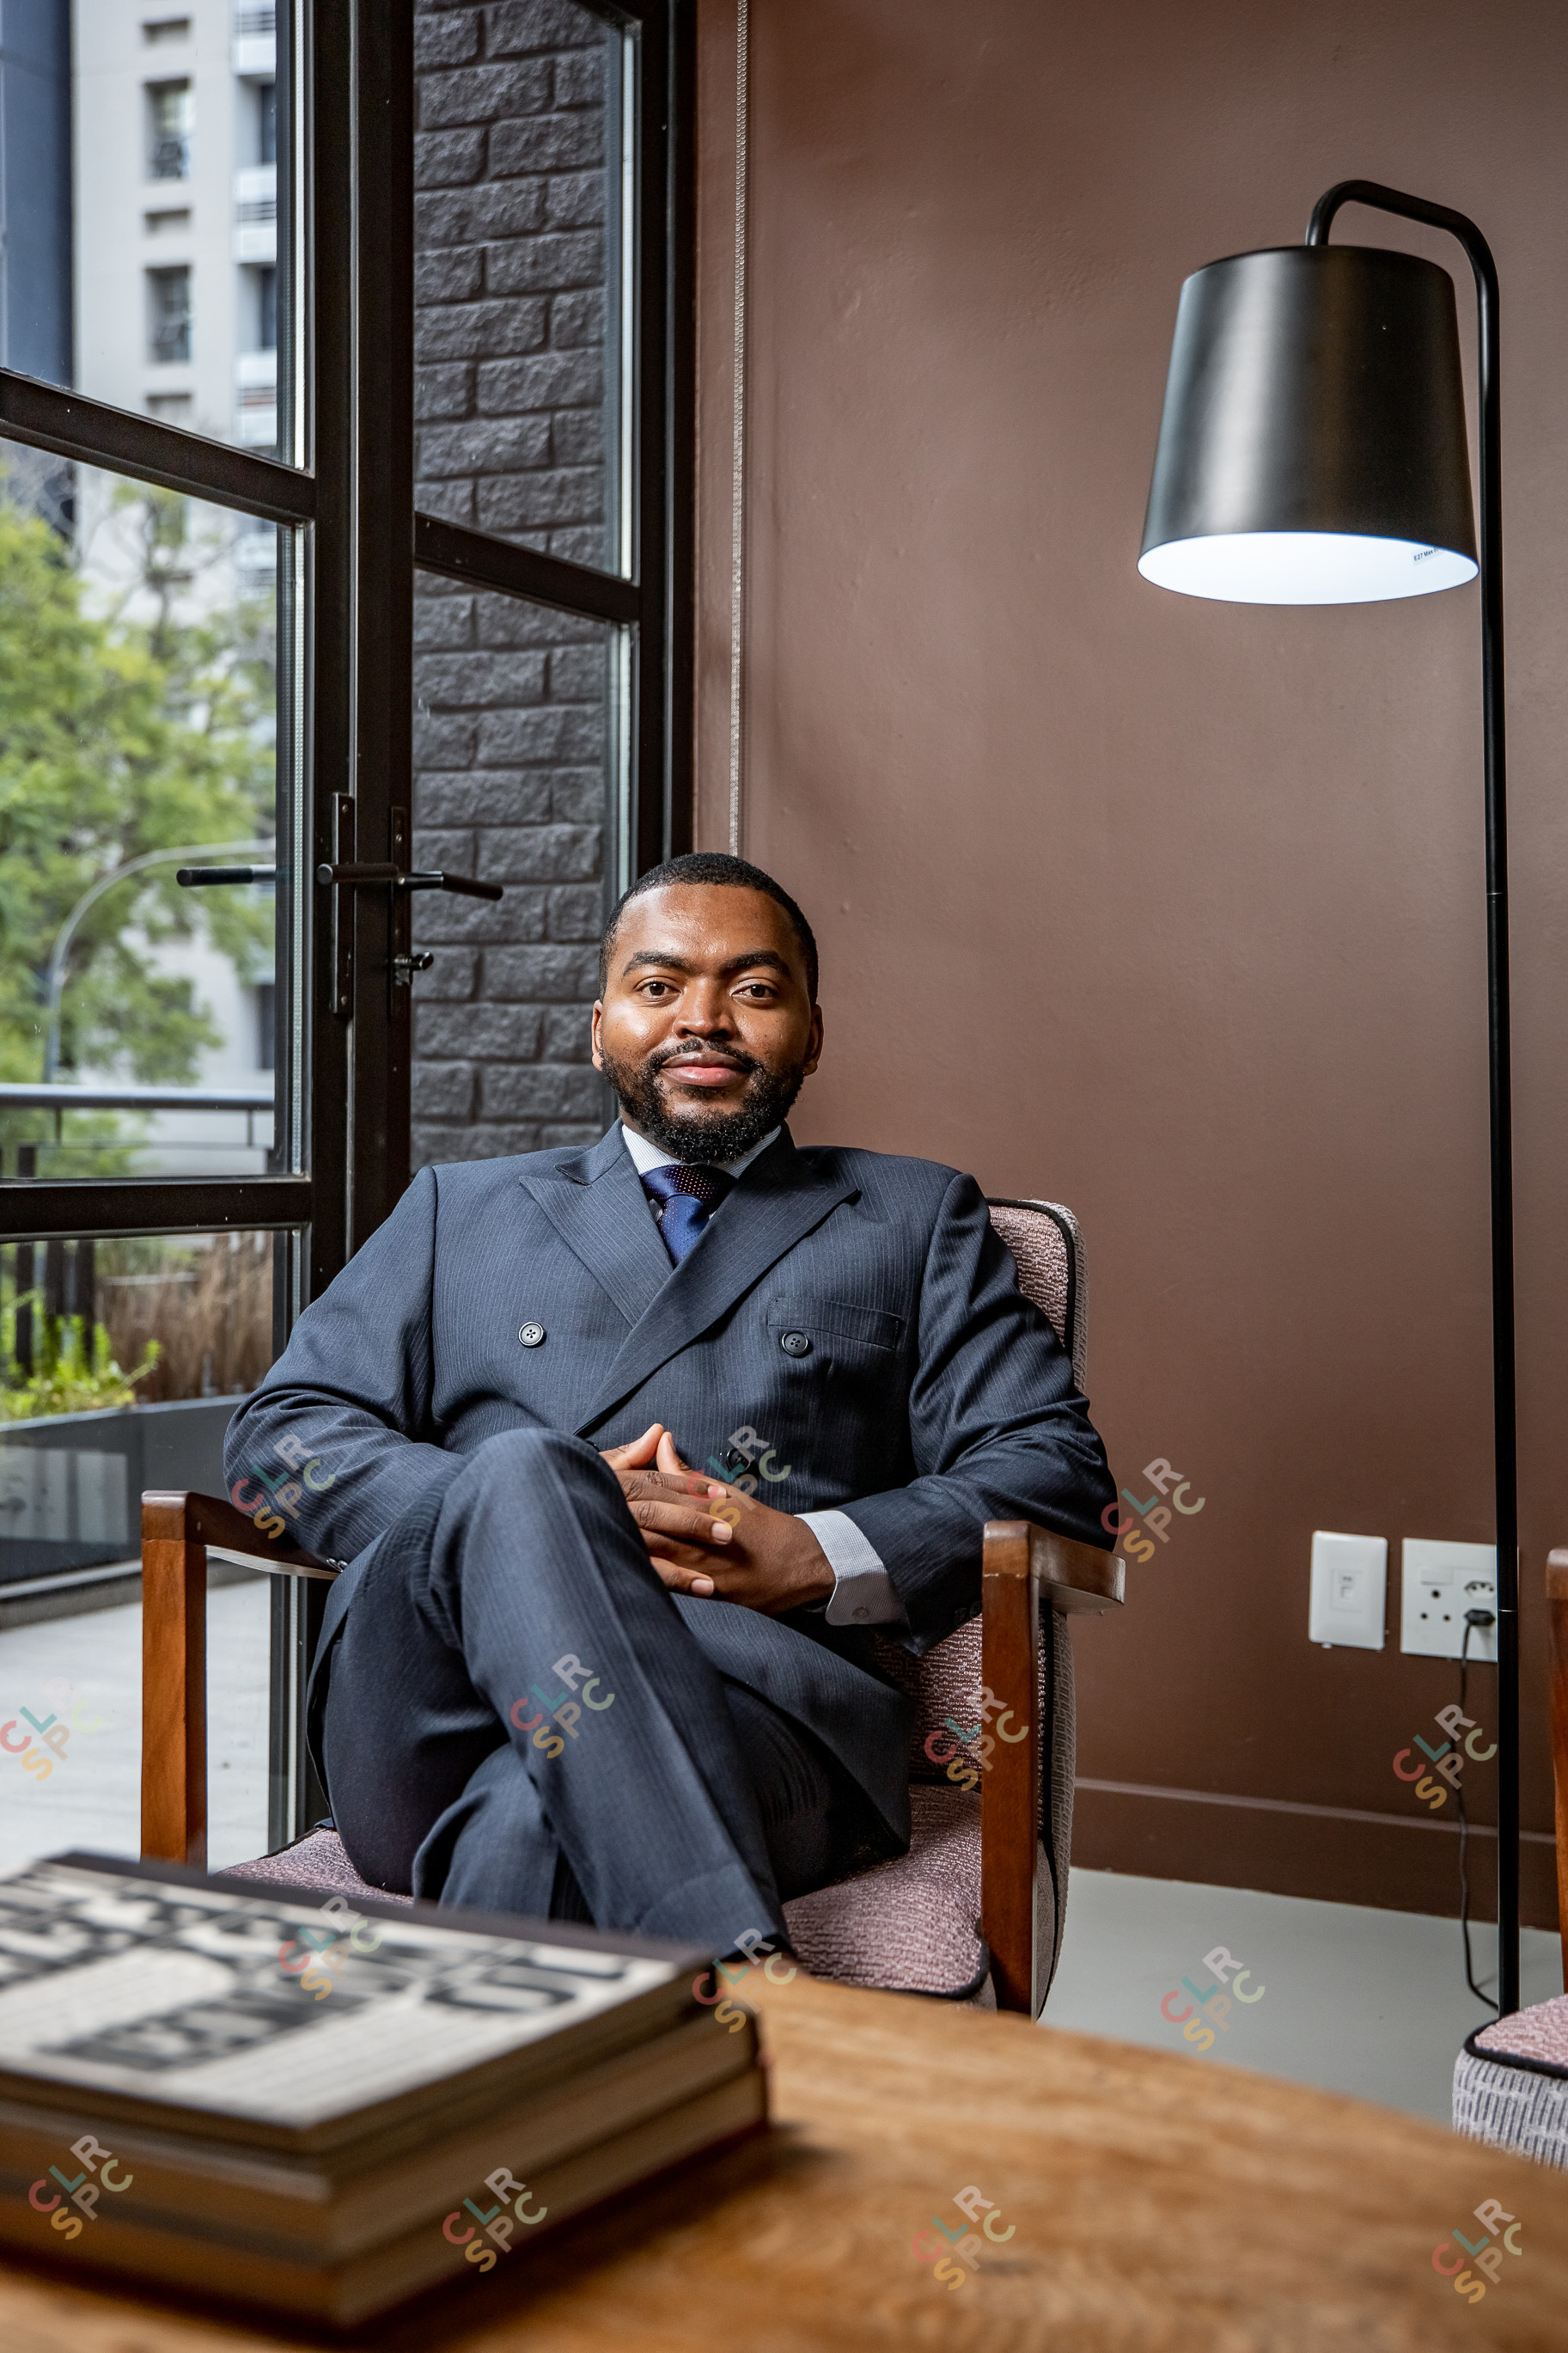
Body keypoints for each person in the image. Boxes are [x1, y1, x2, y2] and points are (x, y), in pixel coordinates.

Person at [225, 853, 1114, 1955]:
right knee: (528, 1470)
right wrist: (533, 1516)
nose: (705, 1019)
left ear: (813, 1030)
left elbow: (1053, 1470)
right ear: (601, 1027)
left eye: (753, 987)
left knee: (525, 1829)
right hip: (429, 1700)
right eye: (658, 987)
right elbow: (279, 1441)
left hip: (756, 1706)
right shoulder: (460, 1208)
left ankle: (641, 2035)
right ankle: (741, 1988)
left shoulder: (912, 1215)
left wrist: (819, 1553)